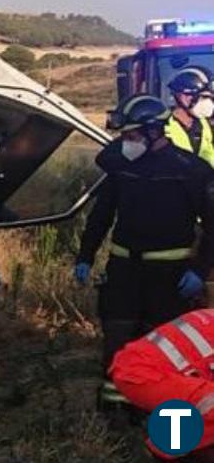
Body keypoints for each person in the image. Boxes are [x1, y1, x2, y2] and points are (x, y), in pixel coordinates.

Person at [74, 94, 214, 405]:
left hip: (170, 278)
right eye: (124, 136)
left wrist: (199, 270)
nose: (126, 142)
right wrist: (85, 256)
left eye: (132, 135)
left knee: (166, 349)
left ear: (154, 132)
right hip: (123, 271)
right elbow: (101, 217)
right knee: (118, 342)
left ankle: (161, 413)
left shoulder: (192, 171)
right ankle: (114, 413)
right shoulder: (123, 166)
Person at [111, 309, 214, 459]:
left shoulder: (208, 315)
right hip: (143, 373)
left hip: (138, 364)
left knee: (201, 398)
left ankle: (169, 444)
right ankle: (168, 448)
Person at [166, 68, 214, 167]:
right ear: (184, 97)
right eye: (204, 97)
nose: (209, 103)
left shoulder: (204, 124)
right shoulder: (165, 129)